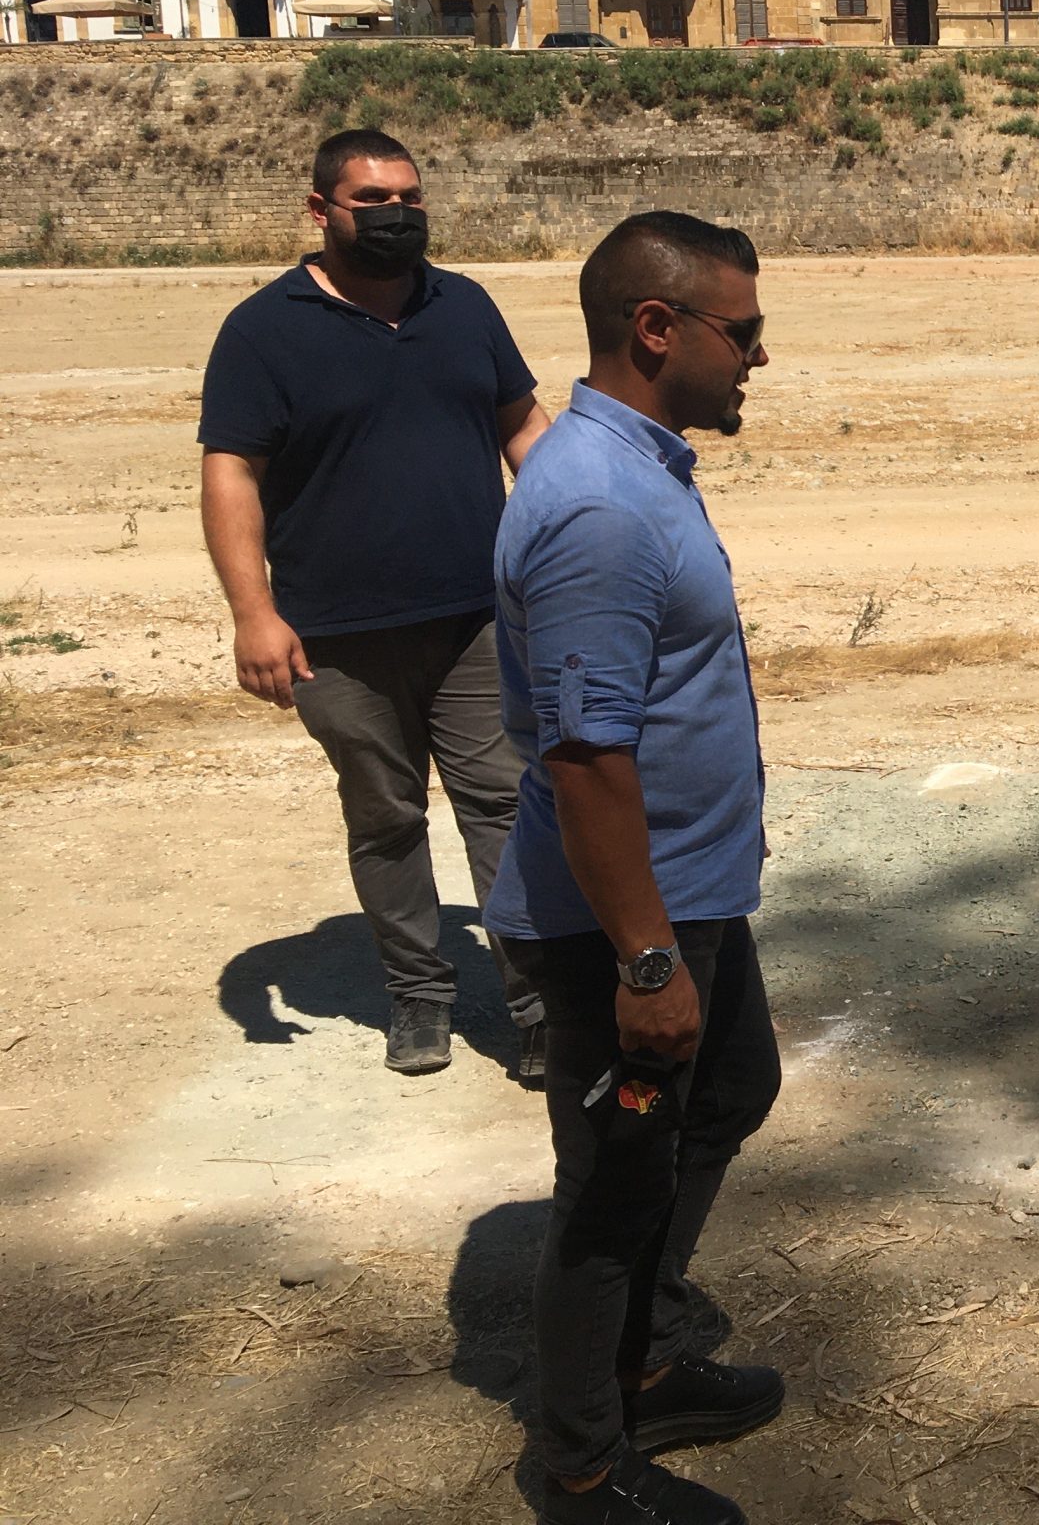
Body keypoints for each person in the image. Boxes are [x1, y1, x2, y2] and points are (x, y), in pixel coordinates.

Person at [487, 211, 783, 1525]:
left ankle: (646, 1357)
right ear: (656, 329)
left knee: (729, 1092)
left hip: (690, 892)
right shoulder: (600, 508)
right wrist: (648, 962)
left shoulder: (637, 465)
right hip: (627, 922)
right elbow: (586, 758)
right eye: (744, 331)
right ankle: (582, 1469)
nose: (759, 357)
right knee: (613, 1189)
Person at [198, 128, 551, 1080]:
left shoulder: (463, 304)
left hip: (477, 619)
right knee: (386, 817)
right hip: (337, 636)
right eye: (373, 201)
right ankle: (418, 996)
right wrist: (253, 613)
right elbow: (232, 473)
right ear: (322, 211)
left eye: (410, 198)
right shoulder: (263, 330)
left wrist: (581, 522)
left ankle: (538, 1006)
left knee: (507, 804)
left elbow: (522, 425)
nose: (398, 215)